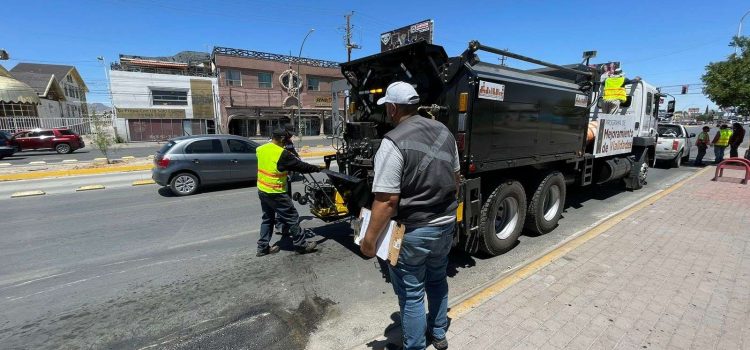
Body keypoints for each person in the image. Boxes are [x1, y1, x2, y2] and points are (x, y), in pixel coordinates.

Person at [360, 81, 460, 350]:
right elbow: (456, 179)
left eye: (387, 108)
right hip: (445, 223)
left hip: (415, 229)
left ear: (392, 108)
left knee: (412, 292)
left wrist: (369, 242)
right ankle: (439, 334)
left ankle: (414, 346)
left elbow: (387, 200)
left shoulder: (393, 142)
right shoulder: (445, 133)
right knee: (437, 279)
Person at [256, 127, 321, 256]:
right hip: (276, 192)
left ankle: (262, 248)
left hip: (262, 190)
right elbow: (300, 166)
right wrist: (317, 168)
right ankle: (301, 245)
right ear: (280, 139)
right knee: (292, 217)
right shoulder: (282, 153)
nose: (287, 142)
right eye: (285, 139)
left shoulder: (260, 149)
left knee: (267, 219)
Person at [275, 125, 299, 236]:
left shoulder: (288, 141)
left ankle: (283, 224)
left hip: (286, 175)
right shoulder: (278, 142)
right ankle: (280, 226)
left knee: (286, 199)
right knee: (283, 201)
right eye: (290, 133)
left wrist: (299, 161)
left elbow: (293, 153)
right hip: (279, 177)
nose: (291, 135)